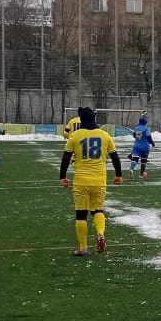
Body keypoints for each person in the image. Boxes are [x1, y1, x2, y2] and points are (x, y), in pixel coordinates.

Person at [60, 107, 123, 256]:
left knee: (81, 215)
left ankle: (82, 248)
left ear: (81, 120)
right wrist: (118, 175)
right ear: (94, 118)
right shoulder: (105, 135)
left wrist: (62, 177)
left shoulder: (74, 136)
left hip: (81, 180)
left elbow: (66, 158)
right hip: (99, 180)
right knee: (98, 210)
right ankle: (100, 233)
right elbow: (115, 157)